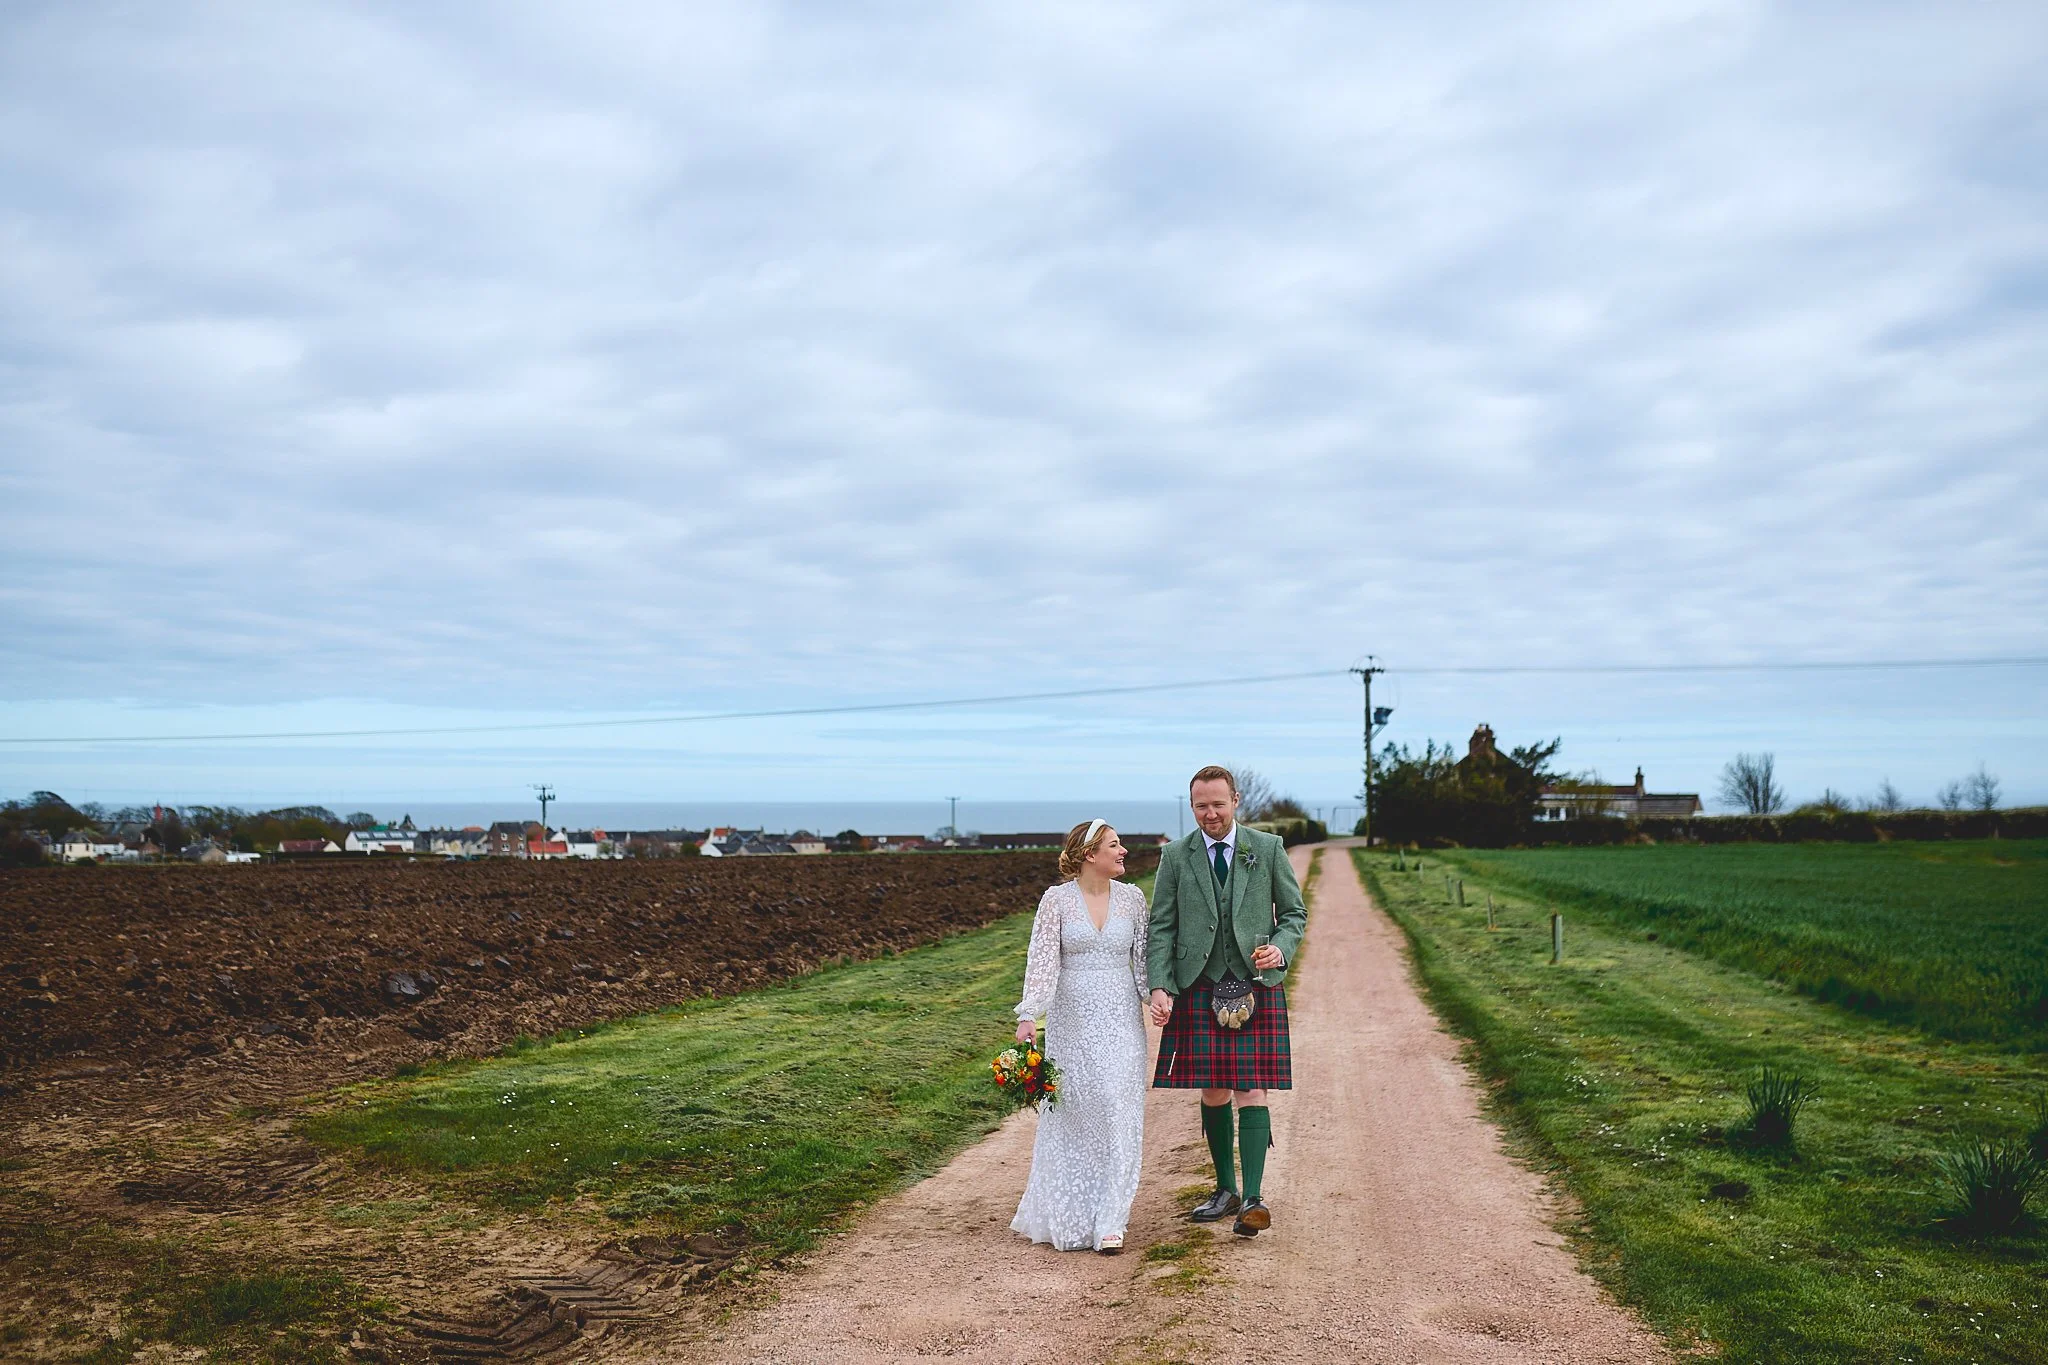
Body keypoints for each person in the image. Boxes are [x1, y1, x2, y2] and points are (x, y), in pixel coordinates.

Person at [1147, 765, 1308, 1236]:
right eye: (1201, 806)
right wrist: (1161, 985)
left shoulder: (1267, 848)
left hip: (1254, 983)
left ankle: (1253, 1198)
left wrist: (1281, 948)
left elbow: (1294, 913)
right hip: (1199, 984)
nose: (1210, 813)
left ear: (1236, 800)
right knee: (1214, 1089)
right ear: (1191, 806)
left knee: (1252, 1088)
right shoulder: (1175, 856)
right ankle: (1226, 1189)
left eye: (1218, 804)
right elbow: (1162, 926)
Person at [1010, 820, 1150, 1254]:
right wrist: (1029, 1014)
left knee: (1118, 1109)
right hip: (1072, 1022)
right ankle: (1073, 1211)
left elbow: (1144, 959)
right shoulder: (1056, 901)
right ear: (1090, 854)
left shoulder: (1133, 898)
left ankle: (1111, 1219)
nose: (1123, 851)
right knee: (1076, 1112)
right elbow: (1042, 962)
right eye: (1114, 845)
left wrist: (1158, 997)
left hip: (1122, 1019)